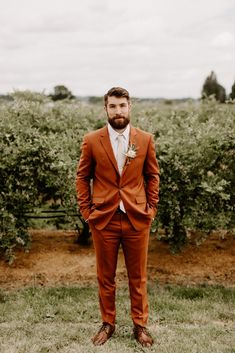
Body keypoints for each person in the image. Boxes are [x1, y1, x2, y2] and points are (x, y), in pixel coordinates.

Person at [76, 87, 160, 347]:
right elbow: (82, 177)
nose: (118, 111)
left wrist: (151, 209)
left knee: (138, 276)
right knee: (106, 276)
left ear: (129, 106)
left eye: (122, 105)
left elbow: (152, 176)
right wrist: (87, 212)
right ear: (106, 109)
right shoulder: (92, 140)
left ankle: (140, 325)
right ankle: (108, 323)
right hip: (104, 219)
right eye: (113, 106)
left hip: (137, 218)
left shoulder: (144, 139)